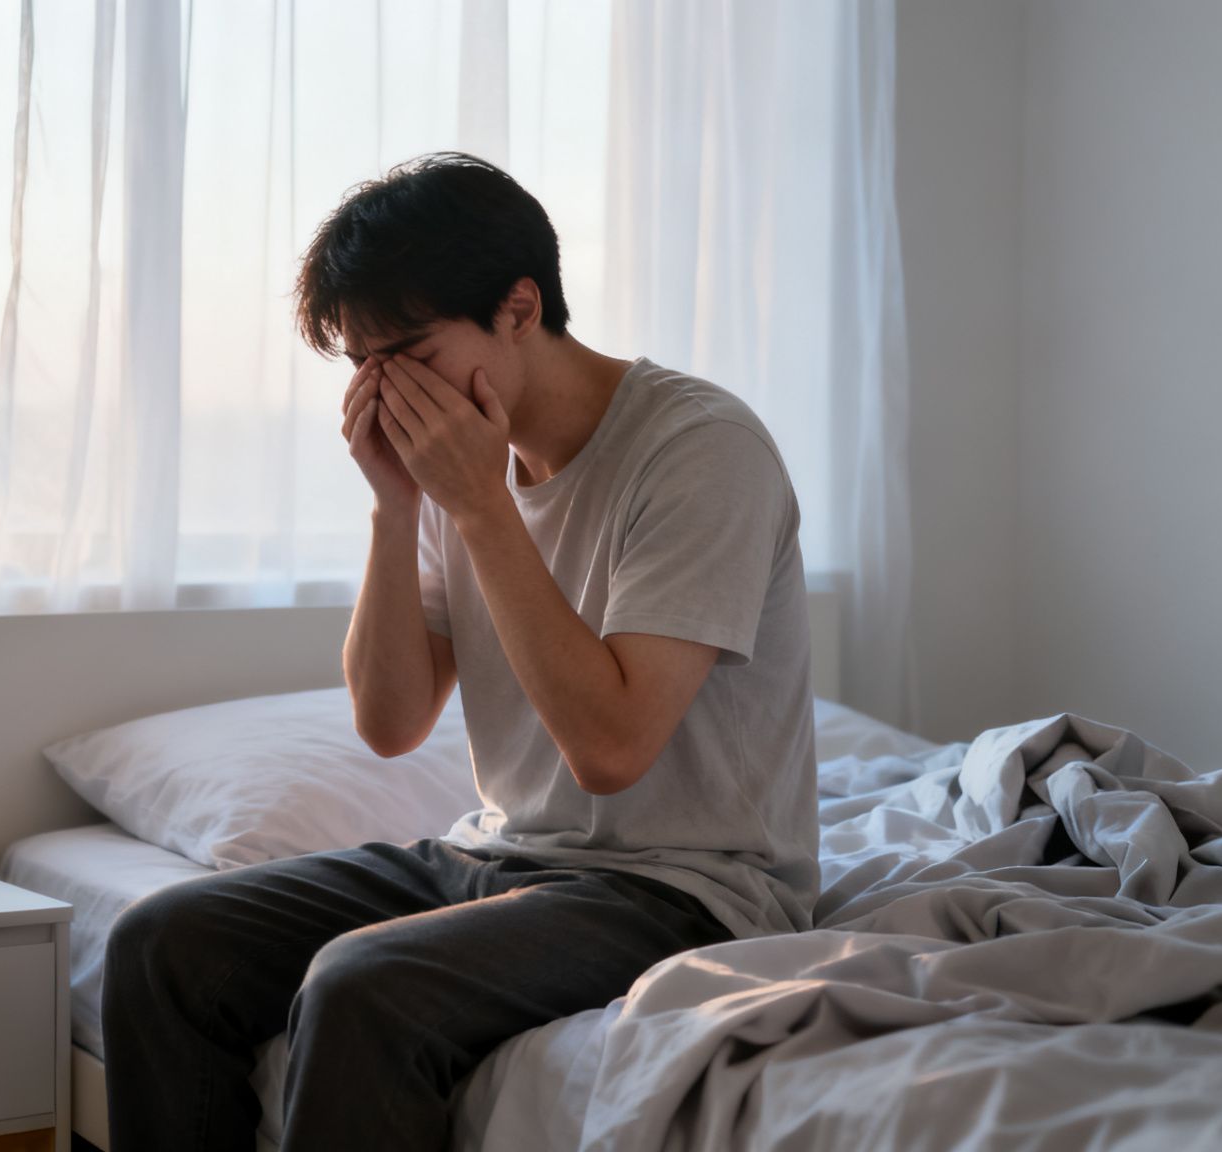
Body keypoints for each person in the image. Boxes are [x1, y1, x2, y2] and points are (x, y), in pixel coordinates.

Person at [101, 152, 818, 1151]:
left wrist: (480, 505)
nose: (383, 390)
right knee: (160, 944)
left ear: (518, 308)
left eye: (405, 351)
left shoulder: (699, 450)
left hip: (686, 891)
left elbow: (610, 750)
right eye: (358, 364)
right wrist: (395, 507)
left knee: (362, 988)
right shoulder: (460, 461)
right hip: (502, 854)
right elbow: (390, 724)